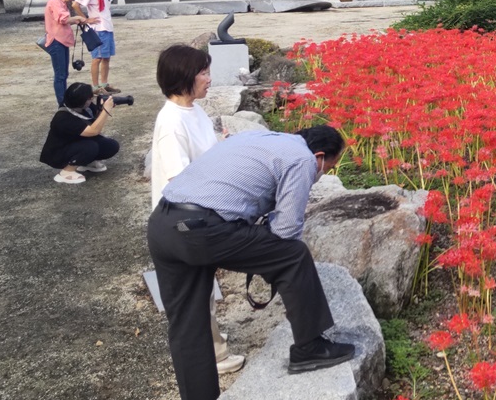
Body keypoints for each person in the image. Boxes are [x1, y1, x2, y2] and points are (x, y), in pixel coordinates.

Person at [148, 127, 354, 400]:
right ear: (319, 156)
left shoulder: (258, 137)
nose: (325, 173)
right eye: (329, 166)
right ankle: (309, 347)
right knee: (294, 255)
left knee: (188, 325)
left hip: (162, 225)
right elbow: (286, 231)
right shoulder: (303, 159)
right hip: (201, 230)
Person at [150, 44, 245, 375]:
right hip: (181, 220)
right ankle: (213, 355)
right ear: (184, 78)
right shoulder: (172, 122)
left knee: (202, 285)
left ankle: (212, 340)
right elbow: (181, 178)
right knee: (193, 290)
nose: (209, 79)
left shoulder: (193, 110)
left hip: (197, 213)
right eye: (203, 72)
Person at [40, 82, 120, 184]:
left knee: (110, 146)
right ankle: (66, 172)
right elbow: (93, 131)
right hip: (58, 153)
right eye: (90, 98)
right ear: (81, 101)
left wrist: (102, 101)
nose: (92, 99)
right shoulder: (63, 118)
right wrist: (106, 110)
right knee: (90, 146)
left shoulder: (83, 106)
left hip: (75, 143)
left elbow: (94, 121)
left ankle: (87, 163)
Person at [43, 0, 97, 106]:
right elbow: (63, 19)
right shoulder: (55, 3)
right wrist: (79, 17)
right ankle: (62, 103)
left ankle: (64, 101)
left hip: (60, 41)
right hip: (56, 41)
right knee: (60, 75)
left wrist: (77, 19)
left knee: (63, 74)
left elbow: (64, 22)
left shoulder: (61, 3)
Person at [76, 0, 120, 95]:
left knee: (106, 57)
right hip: (98, 28)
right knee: (97, 58)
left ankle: (104, 84)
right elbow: (76, 4)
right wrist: (85, 19)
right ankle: (95, 87)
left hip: (107, 27)